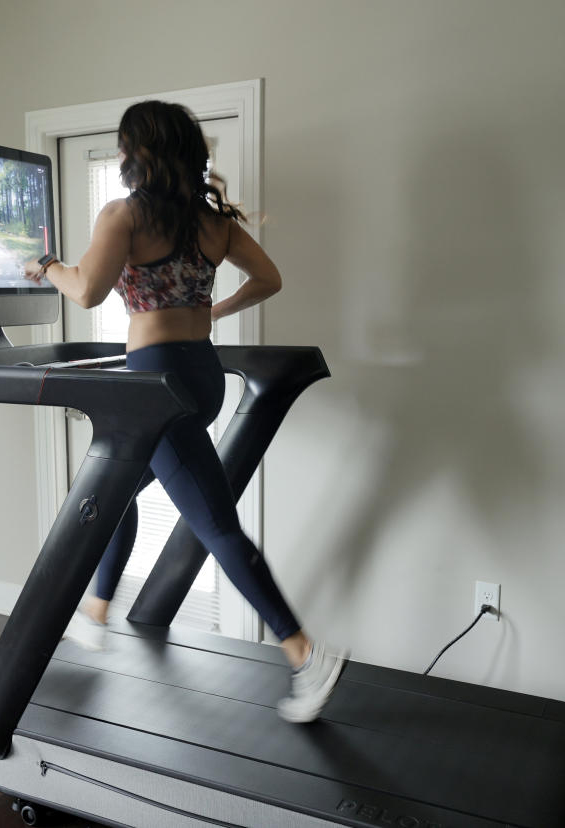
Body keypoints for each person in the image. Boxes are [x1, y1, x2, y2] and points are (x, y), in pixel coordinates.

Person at [24, 100, 346, 723]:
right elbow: (269, 278)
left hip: (154, 387)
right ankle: (96, 611)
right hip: (201, 374)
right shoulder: (211, 221)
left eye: (123, 147)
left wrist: (47, 267)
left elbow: (86, 289)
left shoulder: (122, 215)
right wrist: (213, 313)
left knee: (215, 525)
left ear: (139, 152)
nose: (119, 158)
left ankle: (306, 653)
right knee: (112, 488)